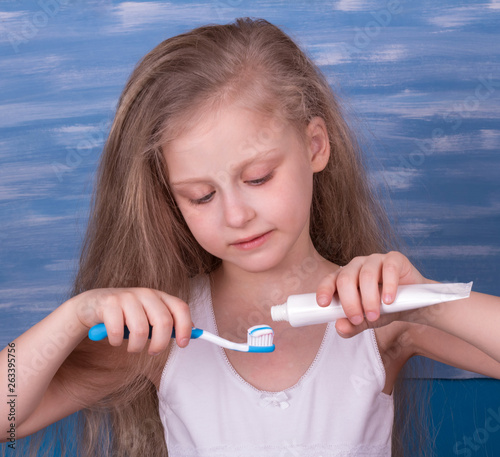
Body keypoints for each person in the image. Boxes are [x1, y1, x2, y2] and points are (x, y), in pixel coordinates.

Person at [1, 17, 499, 457]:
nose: (236, 215)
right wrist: (77, 315)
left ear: (315, 146)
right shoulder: (165, 336)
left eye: (258, 178)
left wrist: (424, 302)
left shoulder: (385, 322)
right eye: (200, 196)